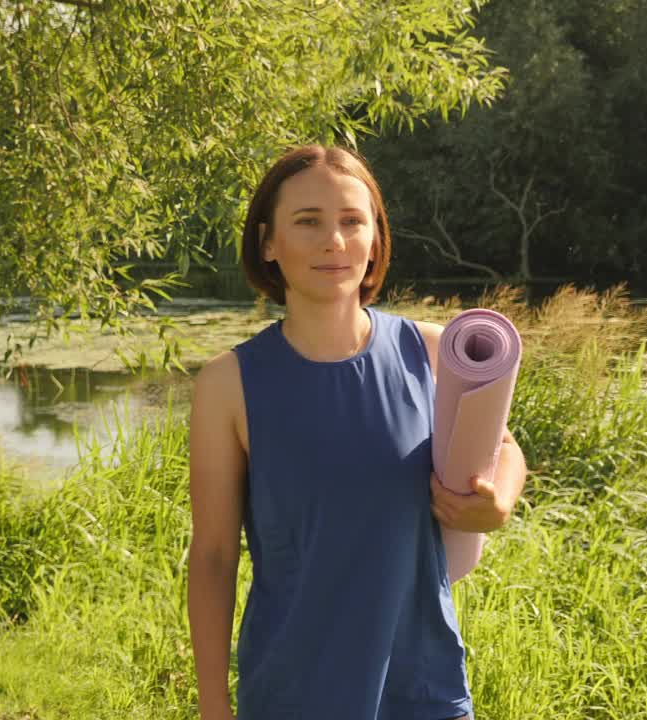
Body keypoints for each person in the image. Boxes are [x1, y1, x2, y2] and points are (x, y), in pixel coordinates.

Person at [186, 144, 527, 720]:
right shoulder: (228, 385)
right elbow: (214, 557)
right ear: (268, 242)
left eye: (352, 221)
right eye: (308, 221)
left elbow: (506, 447)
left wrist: (498, 505)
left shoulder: (434, 350)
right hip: (290, 695)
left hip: (424, 691)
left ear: (375, 240)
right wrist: (214, 706)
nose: (334, 241)